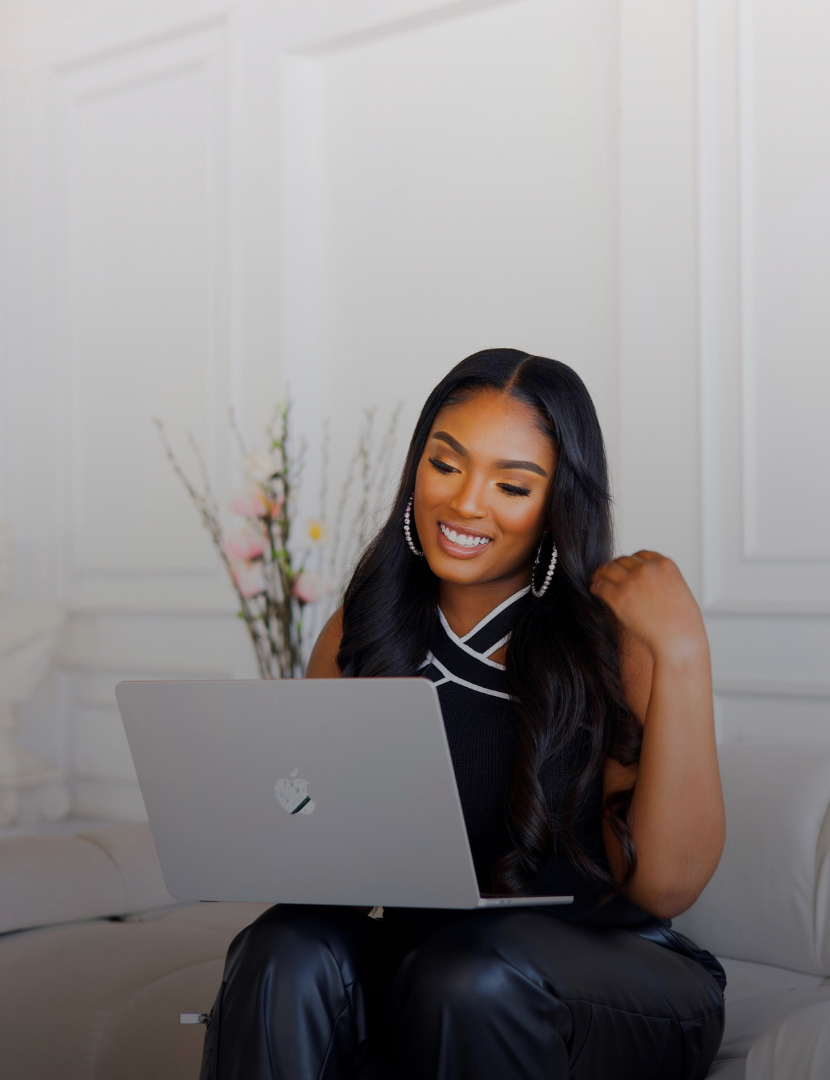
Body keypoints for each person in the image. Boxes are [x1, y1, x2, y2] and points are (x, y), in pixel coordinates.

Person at [200, 349, 727, 1080]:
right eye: (445, 465)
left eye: (512, 485)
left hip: (614, 975)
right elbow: (322, 854)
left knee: (469, 971)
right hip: (428, 962)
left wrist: (685, 651)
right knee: (281, 948)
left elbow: (667, 887)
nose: (466, 503)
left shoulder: (616, 642)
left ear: (557, 503)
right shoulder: (364, 628)